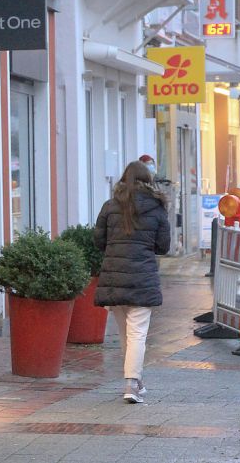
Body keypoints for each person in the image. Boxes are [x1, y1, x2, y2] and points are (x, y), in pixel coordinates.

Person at [93, 160, 171, 404]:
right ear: (148, 181)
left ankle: (135, 381)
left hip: (114, 276)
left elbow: (98, 241)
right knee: (137, 334)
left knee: (127, 333)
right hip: (142, 277)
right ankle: (131, 384)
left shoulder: (109, 206)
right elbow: (163, 246)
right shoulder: (157, 209)